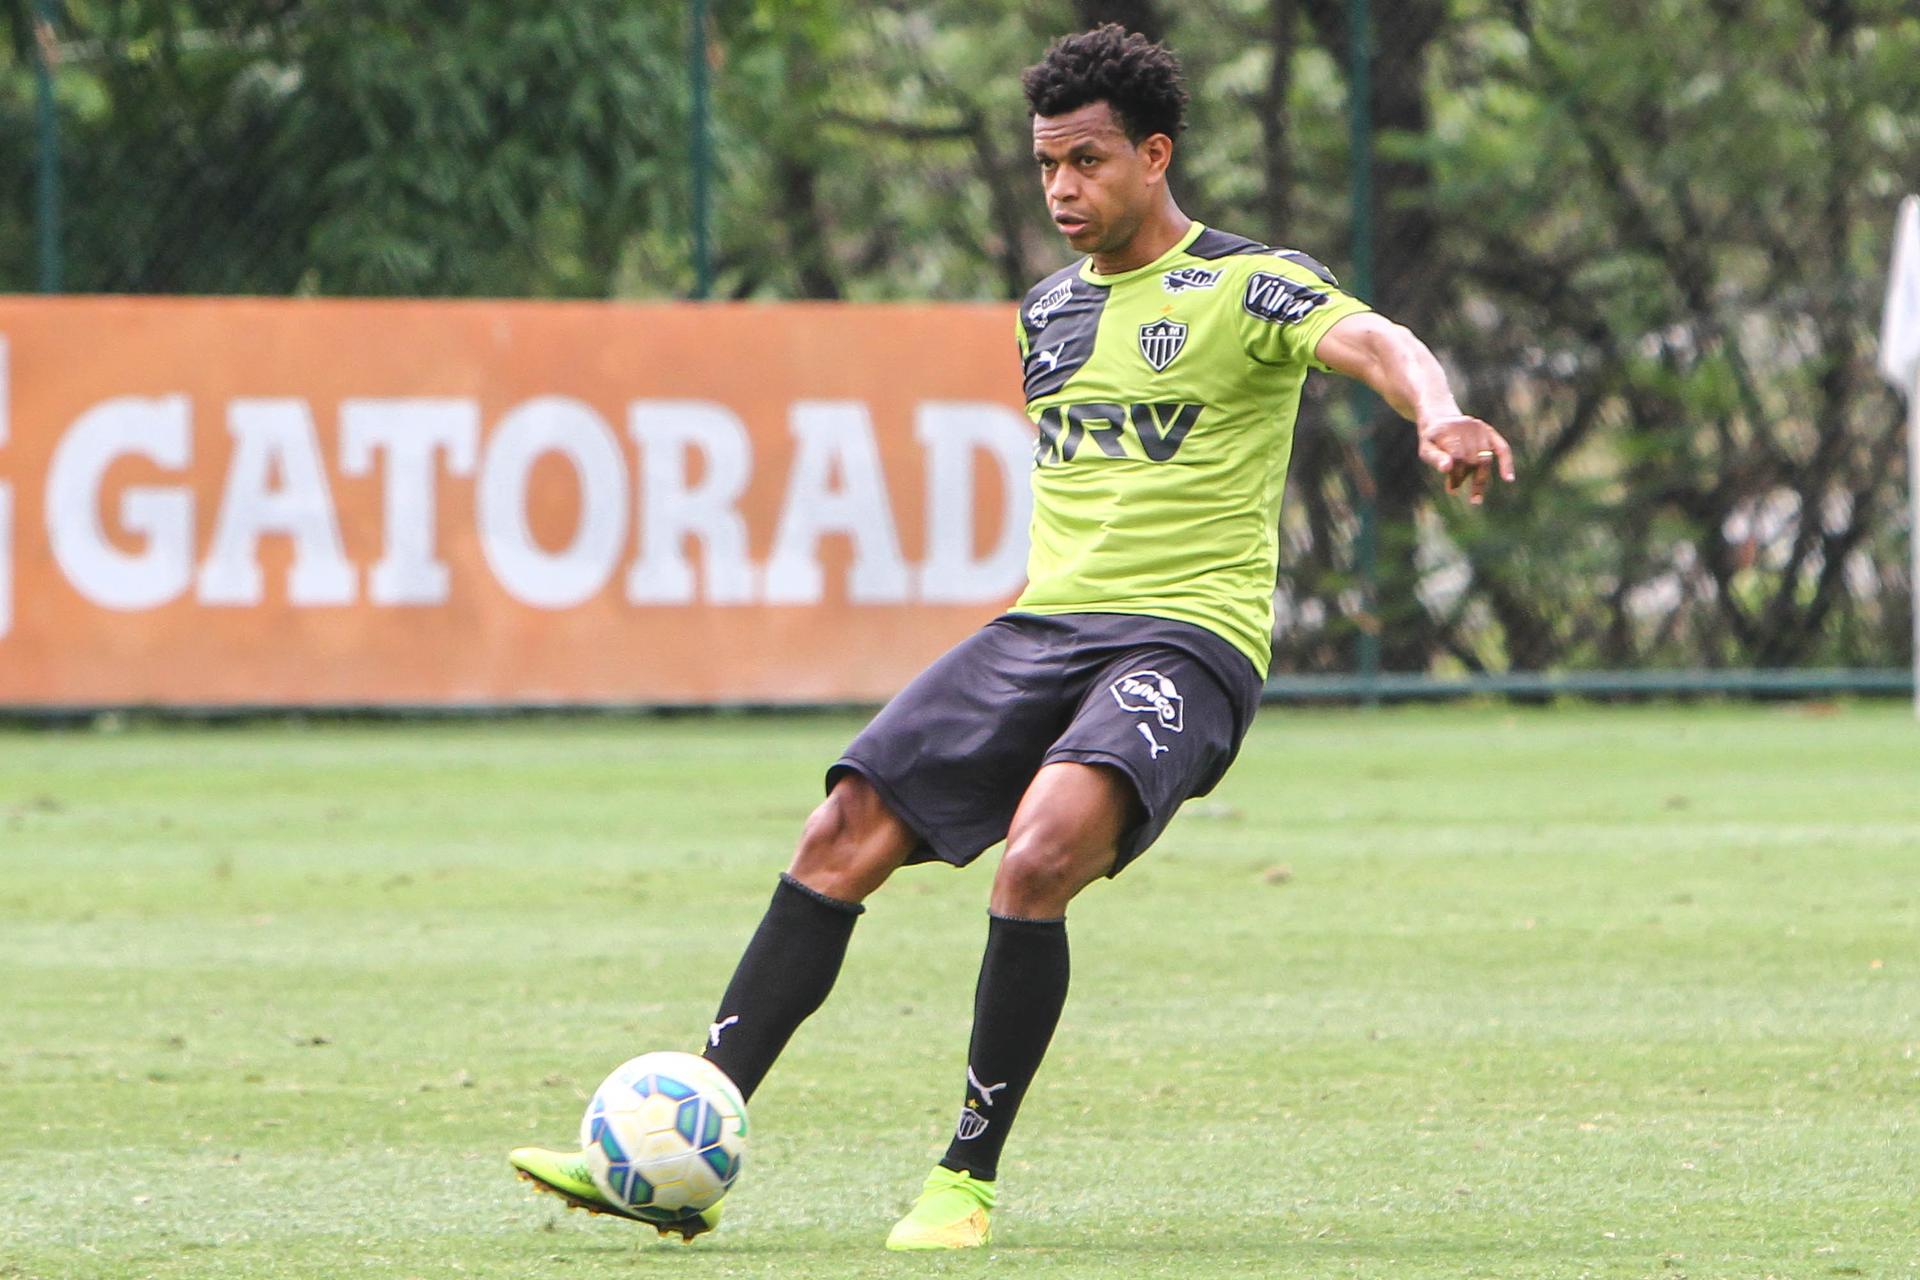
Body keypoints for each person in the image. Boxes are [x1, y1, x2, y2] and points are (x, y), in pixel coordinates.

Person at [508, 22, 1515, 1251]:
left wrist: (1442, 413)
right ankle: (679, 1139)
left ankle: (964, 1177)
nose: (1062, 189)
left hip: (1186, 643)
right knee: (839, 831)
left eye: (1087, 161)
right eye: (1046, 164)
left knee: (1037, 853)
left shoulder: (1246, 284)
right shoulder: (1044, 312)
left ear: (1154, 156)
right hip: (1043, 627)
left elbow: (1377, 340)